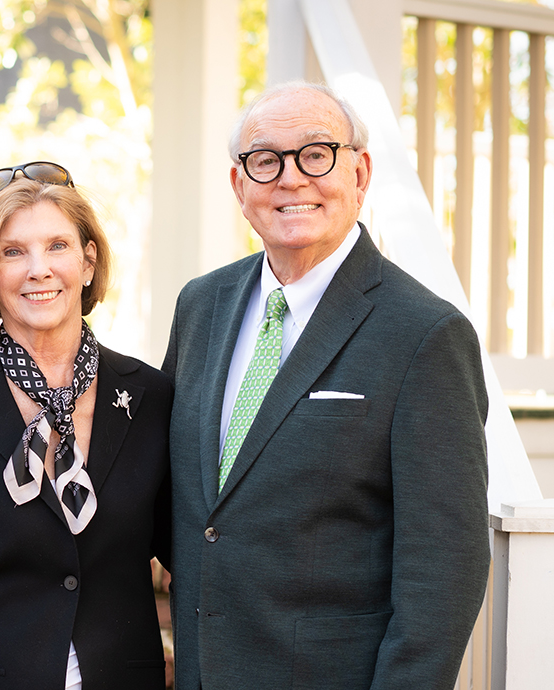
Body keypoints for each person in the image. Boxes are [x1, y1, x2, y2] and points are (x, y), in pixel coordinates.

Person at [162, 81, 490, 689]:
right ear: (239, 185)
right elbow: (184, 496)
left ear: (360, 173)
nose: (291, 179)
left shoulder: (425, 334)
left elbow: (443, 568)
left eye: (317, 153)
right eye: (266, 160)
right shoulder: (201, 305)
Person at [0, 163, 174, 689]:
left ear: (88, 262)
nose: (38, 269)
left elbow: (191, 553)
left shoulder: (151, 398)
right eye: (12, 252)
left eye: (57, 246)